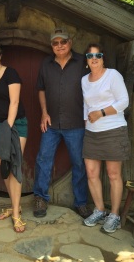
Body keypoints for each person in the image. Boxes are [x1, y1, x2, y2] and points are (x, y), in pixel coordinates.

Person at [33, 28, 91, 219]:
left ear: (70, 43)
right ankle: (40, 198)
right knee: (43, 160)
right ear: (52, 46)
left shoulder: (83, 62)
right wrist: (43, 113)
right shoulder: (46, 63)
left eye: (63, 42)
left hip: (76, 123)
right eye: (55, 43)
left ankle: (81, 203)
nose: (59, 46)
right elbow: (41, 89)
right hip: (51, 123)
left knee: (79, 164)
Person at [81, 43, 130, 233]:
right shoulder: (84, 80)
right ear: (86, 60)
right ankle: (100, 210)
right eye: (90, 56)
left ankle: (115, 215)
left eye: (98, 55)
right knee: (92, 173)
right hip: (92, 132)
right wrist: (87, 121)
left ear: (103, 58)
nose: (94, 58)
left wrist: (100, 113)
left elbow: (123, 101)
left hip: (113, 129)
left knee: (113, 174)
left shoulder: (113, 75)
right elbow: (86, 105)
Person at [0, 44, 28, 233]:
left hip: (15, 125)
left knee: (14, 166)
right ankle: (15, 206)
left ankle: (16, 214)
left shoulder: (10, 73)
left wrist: (7, 128)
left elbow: (15, 102)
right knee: (5, 168)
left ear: (0, 55)